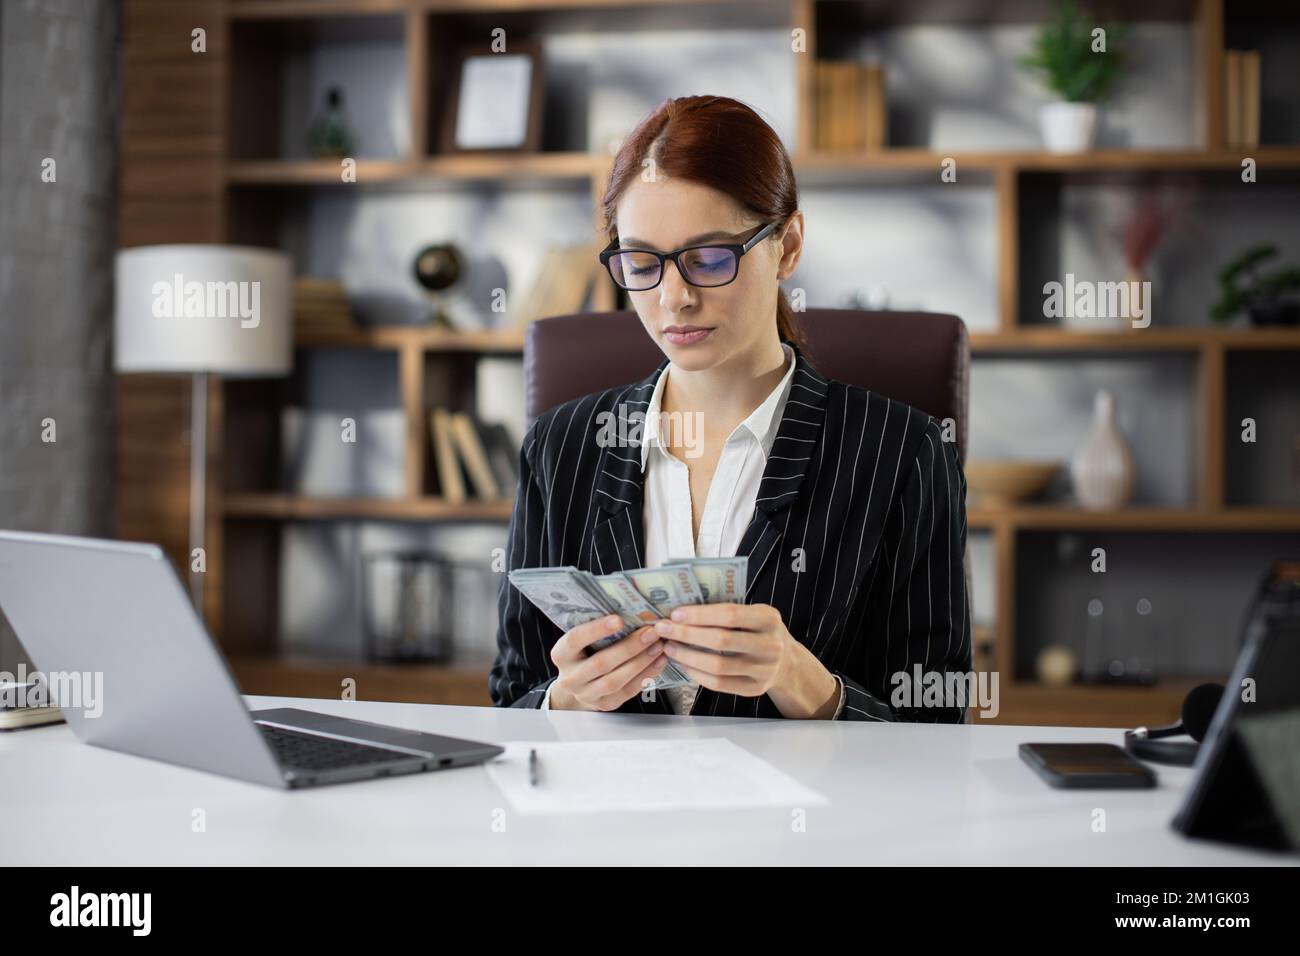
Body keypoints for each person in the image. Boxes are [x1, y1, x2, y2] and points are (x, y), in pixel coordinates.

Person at [490, 95, 970, 720]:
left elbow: (938, 731)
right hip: (609, 813)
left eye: (710, 258)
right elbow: (509, 699)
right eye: (641, 263)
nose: (675, 299)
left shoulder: (904, 452)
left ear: (788, 245)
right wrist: (565, 701)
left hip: (812, 816)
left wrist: (808, 686)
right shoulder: (563, 447)